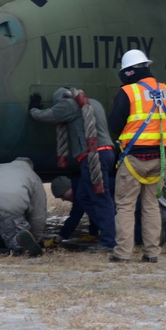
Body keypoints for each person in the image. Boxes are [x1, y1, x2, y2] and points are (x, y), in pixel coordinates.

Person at [109, 49, 166, 263]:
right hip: (160, 158)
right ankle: (152, 253)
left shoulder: (129, 93)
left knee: (126, 206)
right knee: (151, 205)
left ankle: (122, 253)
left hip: (133, 159)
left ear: (128, 72)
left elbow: (115, 125)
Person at [30, 87, 116, 252]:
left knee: (100, 199)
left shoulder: (68, 105)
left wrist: (33, 108)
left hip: (92, 157)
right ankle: (108, 231)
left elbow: (46, 116)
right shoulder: (94, 103)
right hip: (106, 153)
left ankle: (109, 241)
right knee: (83, 197)